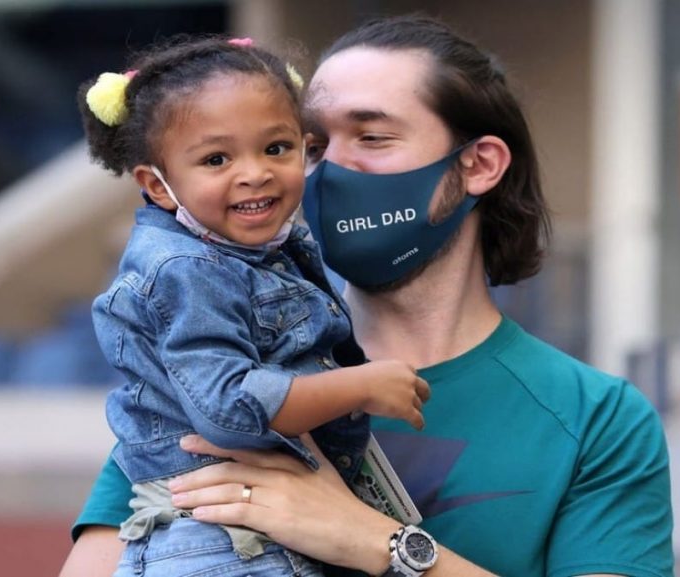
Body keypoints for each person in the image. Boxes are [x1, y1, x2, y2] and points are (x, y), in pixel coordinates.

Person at [61, 15, 674, 577]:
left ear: (479, 164)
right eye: (314, 145)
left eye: (372, 138)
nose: (328, 171)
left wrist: (377, 543)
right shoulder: (207, 373)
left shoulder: (597, 417)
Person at [74, 34, 431, 577]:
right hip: (224, 544)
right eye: (217, 158)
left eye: (276, 148)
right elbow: (230, 408)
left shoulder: (260, 252)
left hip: (255, 533)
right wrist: (361, 385)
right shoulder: (187, 269)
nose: (255, 172)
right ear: (159, 185)